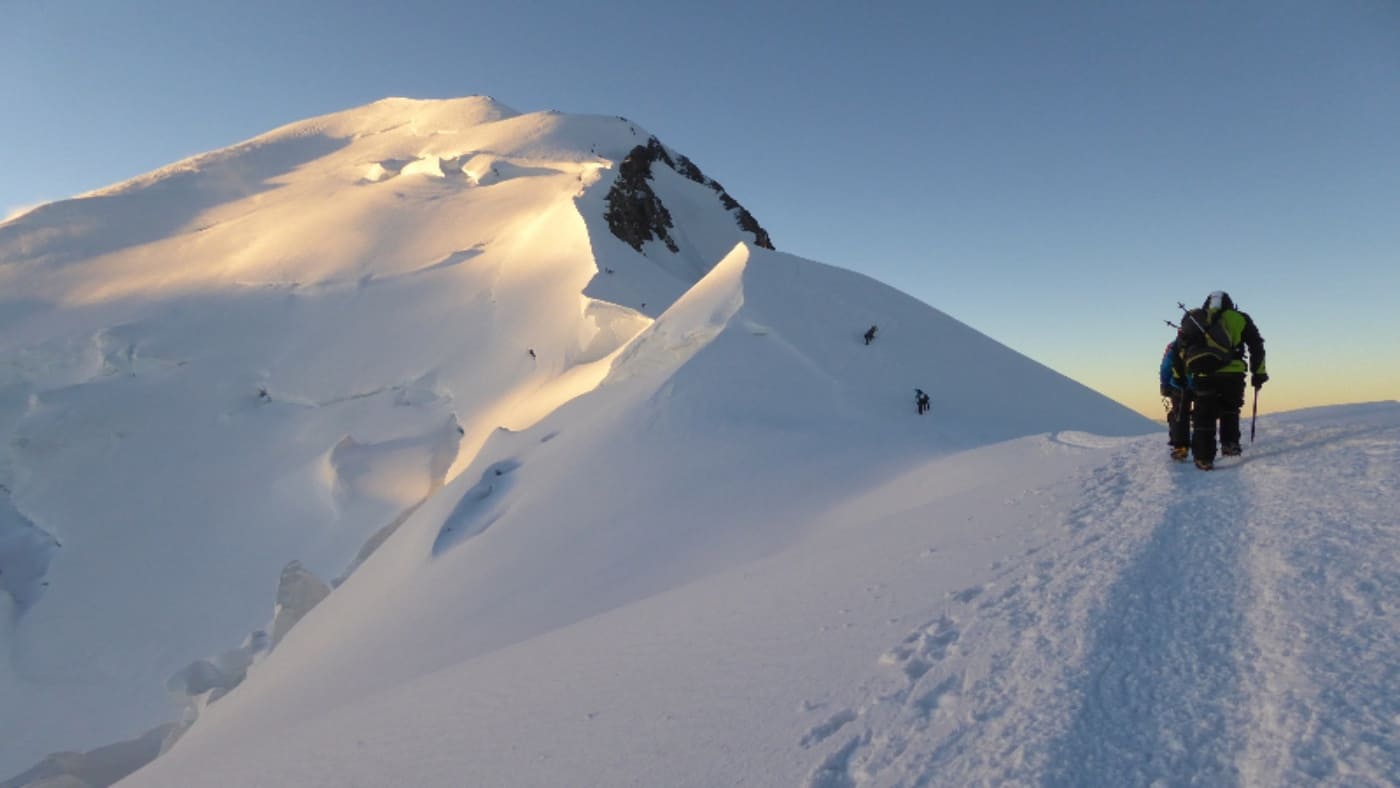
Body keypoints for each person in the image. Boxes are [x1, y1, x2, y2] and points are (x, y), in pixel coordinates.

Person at [1176, 291, 1267, 470]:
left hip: (1203, 374)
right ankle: (1230, 445)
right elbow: (1257, 346)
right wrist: (1259, 373)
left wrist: (1181, 377)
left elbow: (1181, 349)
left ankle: (1203, 457)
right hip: (1233, 373)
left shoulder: (1196, 319)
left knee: (1204, 414)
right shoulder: (1240, 318)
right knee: (1230, 408)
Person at [1158, 332, 1190, 460]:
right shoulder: (1206, 341)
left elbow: (1166, 366)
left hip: (1178, 384)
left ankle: (1180, 447)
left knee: (1179, 414)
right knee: (1202, 415)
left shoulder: (1174, 345)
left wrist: (1164, 384)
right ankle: (1203, 450)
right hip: (1201, 383)